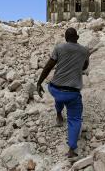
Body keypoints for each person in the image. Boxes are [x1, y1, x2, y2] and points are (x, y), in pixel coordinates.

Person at [36, 27, 89, 158]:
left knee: (59, 97)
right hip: (73, 92)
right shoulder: (84, 51)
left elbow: (49, 66)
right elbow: (84, 67)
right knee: (75, 119)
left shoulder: (59, 48)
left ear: (65, 38)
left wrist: (39, 82)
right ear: (77, 38)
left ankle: (59, 113)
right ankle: (72, 149)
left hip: (56, 89)